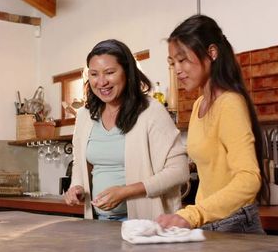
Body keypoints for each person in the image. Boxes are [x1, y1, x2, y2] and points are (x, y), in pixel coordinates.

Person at [156, 15, 267, 234]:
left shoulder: (230, 104)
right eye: (173, 62)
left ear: (212, 53)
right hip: (211, 224)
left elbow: (249, 178)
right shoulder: (199, 105)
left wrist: (192, 215)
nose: (177, 69)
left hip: (235, 224)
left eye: (183, 59)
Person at [64, 39, 189, 221]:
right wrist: (77, 188)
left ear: (127, 72)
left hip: (144, 222)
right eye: (94, 74)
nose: (101, 82)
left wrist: (125, 192)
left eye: (110, 73)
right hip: (99, 222)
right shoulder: (84, 116)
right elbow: (79, 164)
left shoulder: (150, 111)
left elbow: (179, 171)